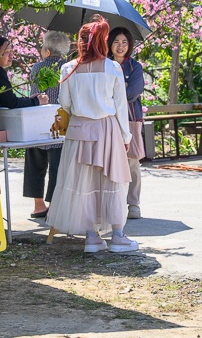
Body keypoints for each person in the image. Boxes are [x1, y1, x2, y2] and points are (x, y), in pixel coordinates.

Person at [46, 17, 138, 254]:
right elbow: (119, 107)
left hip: (78, 131)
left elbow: (64, 104)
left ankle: (91, 237)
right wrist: (126, 137)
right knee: (113, 181)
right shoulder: (112, 67)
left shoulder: (68, 69)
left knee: (83, 184)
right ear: (101, 41)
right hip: (106, 129)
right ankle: (117, 236)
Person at [23, 30, 71, 219]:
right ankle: (54, 204)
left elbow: (35, 92)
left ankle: (38, 205)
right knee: (57, 163)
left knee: (35, 161)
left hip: (38, 118)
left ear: (48, 52)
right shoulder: (67, 68)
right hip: (60, 118)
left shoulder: (37, 68)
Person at [108, 26, 146, 220]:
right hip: (108, 120)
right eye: (116, 42)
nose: (120, 46)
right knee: (108, 162)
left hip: (131, 119)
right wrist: (120, 87)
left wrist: (117, 90)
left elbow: (132, 93)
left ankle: (133, 204)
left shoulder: (135, 67)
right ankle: (113, 204)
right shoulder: (103, 64)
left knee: (132, 161)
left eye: (124, 42)